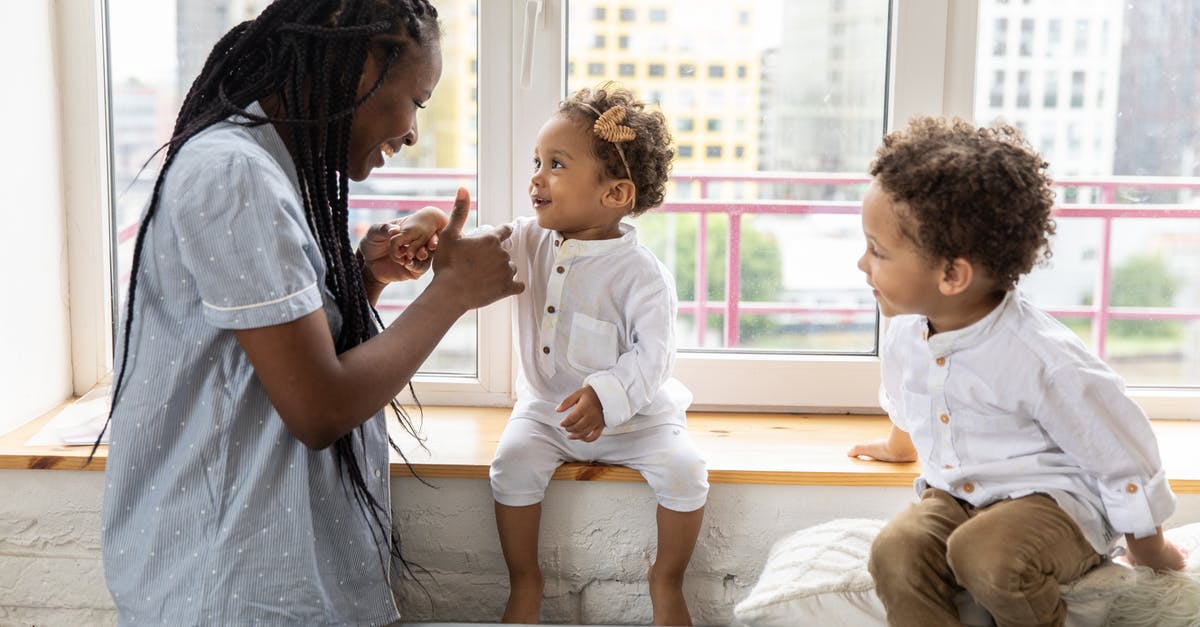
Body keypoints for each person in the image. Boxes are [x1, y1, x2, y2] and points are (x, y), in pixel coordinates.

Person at [99, 1, 523, 625]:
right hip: (231, 590)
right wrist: (452, 293)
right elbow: (318, 408)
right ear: (358, 64)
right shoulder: (236, 175)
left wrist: (364, 280)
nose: (411, 133)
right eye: (418, 101)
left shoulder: (270, 164)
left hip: (262, 578)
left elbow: (268, 365)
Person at [846, 116, 1186, 627]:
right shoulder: (906, 333)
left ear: (952, 275)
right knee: (895, 550)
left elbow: (1121, 451)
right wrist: (899, 448)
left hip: (1053, 505)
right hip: (959, 496)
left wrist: (1150, 547)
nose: (860, 264)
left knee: (987, 555)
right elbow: (912, 400)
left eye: (878, 251)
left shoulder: (1042, 359)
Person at [493, 85, 707, 624]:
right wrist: (428, 227)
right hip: (548, 414)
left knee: (687, 472)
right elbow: (476, 246)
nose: (537, 177)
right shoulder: (527, 240)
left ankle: (666, 581)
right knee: (510, 464)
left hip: (638, 422)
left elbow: (654, 357)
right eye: (537, 161)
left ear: (615, 195)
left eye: (557, 164)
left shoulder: (643, 275)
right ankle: (525, 582)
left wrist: (606, 394)